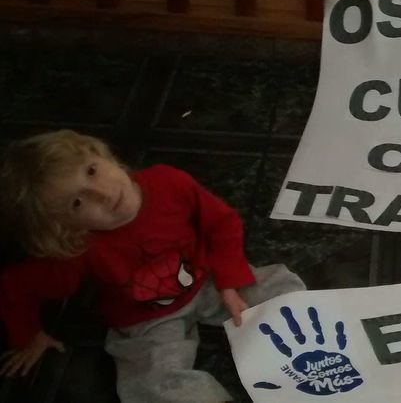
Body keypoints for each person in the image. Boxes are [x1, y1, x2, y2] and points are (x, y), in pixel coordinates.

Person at [0, 130, 306, 403]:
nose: (103, 194)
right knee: (152, 382)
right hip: (146, 318)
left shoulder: (168, 182)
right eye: (77, 203)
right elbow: (17, 286)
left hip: (207, 280)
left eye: (92, 171)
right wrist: (28, 336)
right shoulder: (76, 248)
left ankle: (309, 366)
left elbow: (222, 223)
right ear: (63, 227)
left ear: (103, 154)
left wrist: (228, 281)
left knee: (282, 288)